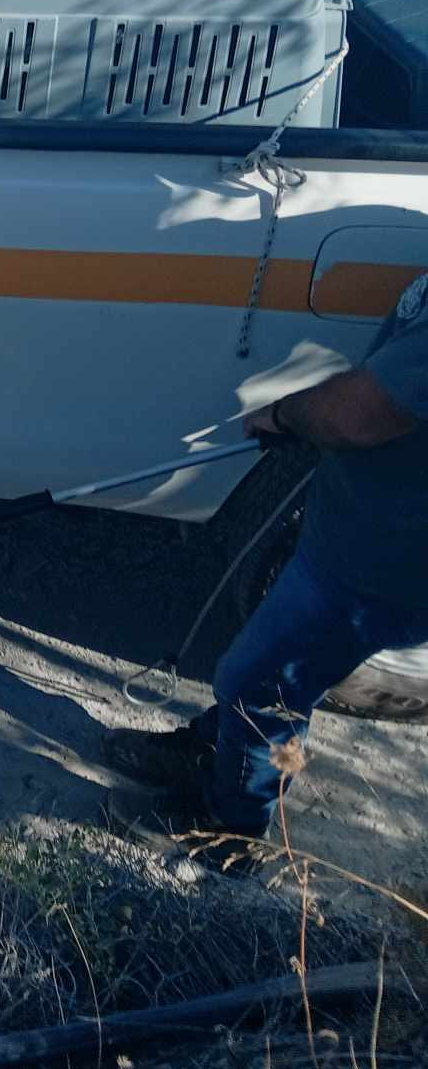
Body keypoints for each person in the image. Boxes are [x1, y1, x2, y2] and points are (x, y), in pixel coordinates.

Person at [106, 270, 428, 845]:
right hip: (355, 533)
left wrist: (286, 415)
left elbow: (359, 414)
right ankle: (218, 752)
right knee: (273, 672)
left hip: (385, 565)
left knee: (260, 685)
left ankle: (233, 826)